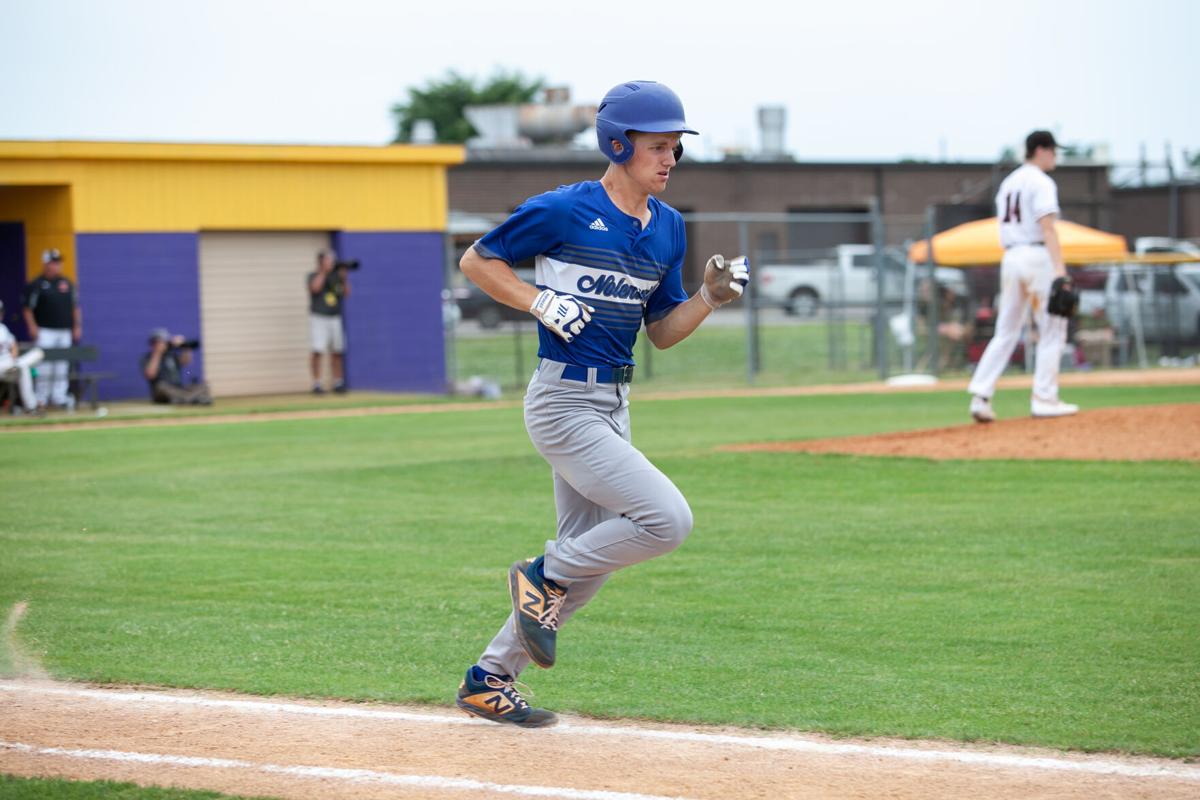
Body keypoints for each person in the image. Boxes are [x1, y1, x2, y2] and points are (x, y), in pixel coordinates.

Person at [453, 80, 749, 728]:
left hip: (614, 401)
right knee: (665, 521)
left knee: (589, 561)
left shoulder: (668, 228)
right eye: (658, 146)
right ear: (618, 143)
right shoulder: (564, 209)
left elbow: (663, 332)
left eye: (676, 148)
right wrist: (537, 299)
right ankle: (541, 572)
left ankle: (489, 677)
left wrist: (708, 297)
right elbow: (477, 261)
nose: (670, 159)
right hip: (562, 402)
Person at [968, 131, 1078, 422]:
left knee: (1006, 330)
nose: (1055, 156)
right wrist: (1060, 271)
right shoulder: (1041, 182)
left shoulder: (1009, 183)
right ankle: (1044, 398)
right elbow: (1048, 227)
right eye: (1053, 150)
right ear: (1040, 150)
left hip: (1011, 256)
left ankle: (981, 397)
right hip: (1036, 256)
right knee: (1053, 328)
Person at [22, 248, 81, 410]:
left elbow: (75, 307)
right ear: (46, 264)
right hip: (45, 330)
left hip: (64, 330)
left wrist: (76, 326)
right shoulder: (36, 284)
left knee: (61, 364)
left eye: (58, 263)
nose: (56, 266)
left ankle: (59, 396)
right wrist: (33, 327)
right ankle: (41, 397)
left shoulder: (67, 283)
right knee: (44, 364)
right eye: (53, 263)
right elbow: (27, 308)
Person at [307, 249, 350, 394]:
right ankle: (316, 383)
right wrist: (323, 272)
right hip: (319, 317)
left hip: (334, 317)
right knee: (318, 350)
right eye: (329, 260)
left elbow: (347, 294)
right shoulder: (313, 275)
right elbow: (314, 288)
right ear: (321, 262)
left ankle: (338, 382)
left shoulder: (336, 277)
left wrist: (344, 278)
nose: (332, 263)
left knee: (337, 350)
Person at [141, 329, 212, 405]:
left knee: (204, 386)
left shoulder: (171, 355)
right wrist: (157, 353)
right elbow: (150, 375)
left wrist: (185, 346)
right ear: (153, 344)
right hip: (162, 392)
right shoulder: (147, 358)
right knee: (161, 387)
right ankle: (194, 399)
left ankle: (185, 399)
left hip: (178, 388)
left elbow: (186, 362)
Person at [0, 300, 43, 414]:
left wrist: (13, 359)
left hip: (9, 364)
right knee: (23, 367)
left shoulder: (3, 328)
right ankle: (31, 407)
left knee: (37, 354)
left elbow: (13, 345)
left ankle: (31, 408)